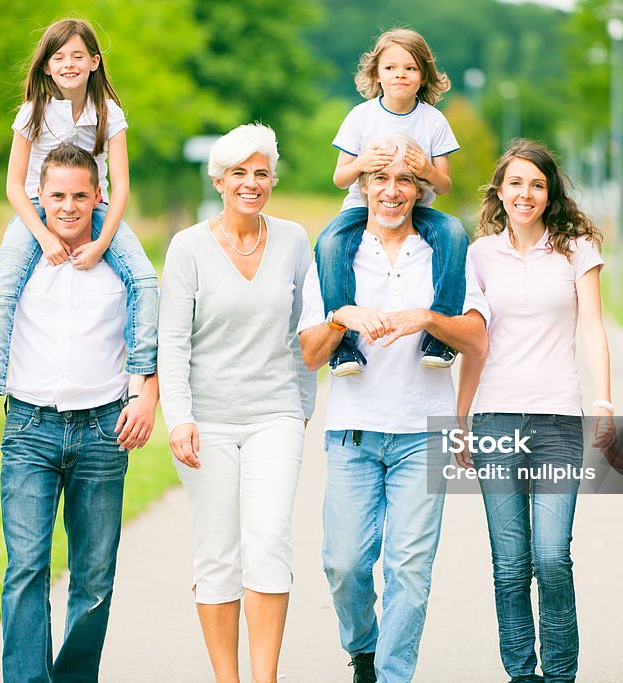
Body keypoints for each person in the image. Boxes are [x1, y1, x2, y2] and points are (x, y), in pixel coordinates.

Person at [0, 142, 159, 683]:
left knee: (94, 577)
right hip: (30, 429)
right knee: (25, 570)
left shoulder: (120, 268)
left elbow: (147, 339)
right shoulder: (17, 263)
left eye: (79, 196)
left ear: (98, 197)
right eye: (57, 195)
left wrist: (144, 395)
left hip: (102, 431)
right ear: (38, 196)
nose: (68, 206)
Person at [298, 133, 488, 683]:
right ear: (362, 186)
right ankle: (363, 650)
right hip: (354, 435)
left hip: (422, 433)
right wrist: (341, 318)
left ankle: (392, 674)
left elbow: (476, 339)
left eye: (405, 179)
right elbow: (310, 355)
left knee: (409, 570)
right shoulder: (336, 254)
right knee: (345, 565)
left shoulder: (447, 253)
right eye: (380, 178)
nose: (392, 190)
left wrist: (429, 320)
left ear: (421, 190)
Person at [158, 123, 316, 683]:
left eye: (262, 173)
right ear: (219, 180)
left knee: (269, 539)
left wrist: (300, 407)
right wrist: (178, 418)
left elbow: (308, 330)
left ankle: (264, 678)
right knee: (217, 552)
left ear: (272, 179)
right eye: (240, 174)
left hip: (275, 415)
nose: (252, 183)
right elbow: (171, 341)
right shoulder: (188, 248)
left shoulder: (295, 240)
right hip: (207, 421)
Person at [456, 139, 614, 683]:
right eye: (516, 183)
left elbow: (593, 326)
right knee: (509, 567)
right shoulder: (478, 255)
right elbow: (475, 343)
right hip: (496, 418)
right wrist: (460, 421)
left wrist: (604, 399)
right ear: (500, 191)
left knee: (551, 559)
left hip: (558, 421)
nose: (527, 194)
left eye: (538, 185)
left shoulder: (577, 249)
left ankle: (560, 676)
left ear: (551, 194)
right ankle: (523, 675)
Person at [0, 17, 158, 423]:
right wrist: (42, 237)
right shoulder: (31, 112)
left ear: (94, 62)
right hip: (41, 208)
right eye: (59, 57)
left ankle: (136, 384)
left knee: (143, 279)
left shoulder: (108, 112)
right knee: (3, 288)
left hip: (96, 206)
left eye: (77, 56)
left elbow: (121, 187)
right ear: (46, 66)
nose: (68, 64)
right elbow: (14, 186)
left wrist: (102, 242)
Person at [315, 28, 467, 377]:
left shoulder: (433, 120)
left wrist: (426, 168)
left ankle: (440, 334)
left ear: (424, 75)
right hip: (361, 205)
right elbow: (340, 178)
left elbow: (443, 185)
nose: (400, 74)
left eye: (410, 68)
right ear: (377, 74)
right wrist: (361, 164)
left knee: (455, 232)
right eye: (391, 68)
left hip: (418, 206)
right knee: (329, 243)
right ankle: (344, 345)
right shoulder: (361, 116)